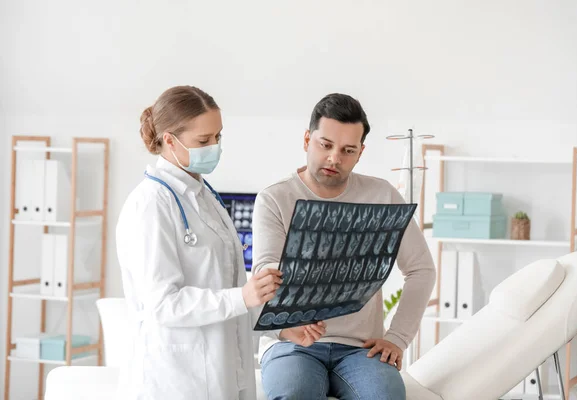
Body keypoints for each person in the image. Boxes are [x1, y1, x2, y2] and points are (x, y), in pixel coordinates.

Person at [252, 93, 436, 400]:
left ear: (361, 152)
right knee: (295, 393)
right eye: (325, 145)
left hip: (359, 349)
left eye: (348, 150)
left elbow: (421, 269)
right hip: (291, 343)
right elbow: (265, 273)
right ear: (307, 139)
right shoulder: (275, 198)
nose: (334, 158)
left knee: (385, 396)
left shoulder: (382, 195)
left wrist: (398, 338)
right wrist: (285, 327)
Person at [115, 85, 283, 400]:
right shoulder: (151, 204)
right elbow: (163, 304)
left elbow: (231, 288)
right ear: (169, 140)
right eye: (203, 141)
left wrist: (282, 328)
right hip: (174, 380)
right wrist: (241, 297)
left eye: (218, 138)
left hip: (220, 374)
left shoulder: (205, 197)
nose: (214, 148)